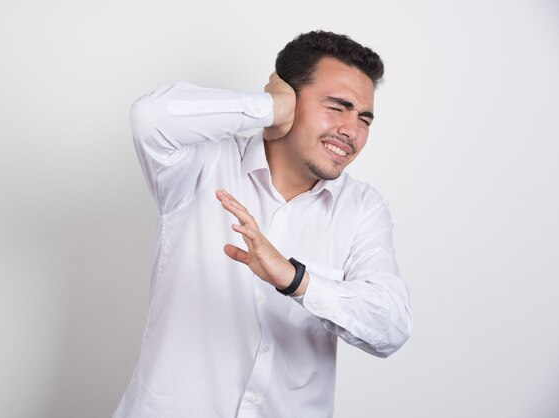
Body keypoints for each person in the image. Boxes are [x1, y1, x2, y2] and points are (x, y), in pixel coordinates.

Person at [113, 30, 412, 418]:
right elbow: (150, 117)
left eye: (364, 118)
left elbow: (391, 327)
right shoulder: (201, 166)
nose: (352, 131)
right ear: (289, 98)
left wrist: (296, 280)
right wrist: (269, 108)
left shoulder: (363, 209)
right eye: (337, 107)